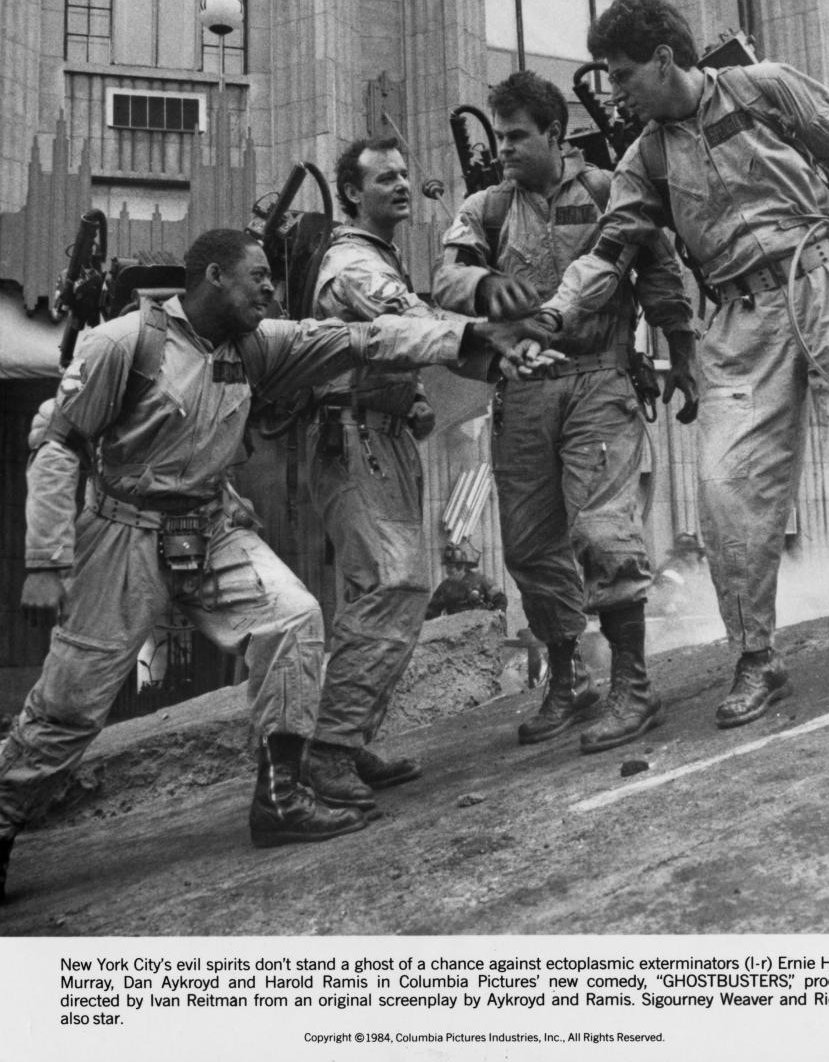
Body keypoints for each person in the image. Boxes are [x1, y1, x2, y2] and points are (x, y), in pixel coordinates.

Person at [0, 227, 518, 902]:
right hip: (123, 532)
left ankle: (279, 798)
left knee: (294, 617)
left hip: (208, 527)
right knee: (71, 703)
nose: (272, 288)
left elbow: (358, 341)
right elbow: (58, 445)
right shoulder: (122, 343)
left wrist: (465, 340)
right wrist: (46, 558)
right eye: (258, 277)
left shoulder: (255, 344)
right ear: (213, 276)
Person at [517, 0, 829, 729]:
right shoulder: (645, 158)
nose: (616, 90)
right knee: (725, 491)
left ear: (665, 60)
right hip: (737, 318)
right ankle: (758, 656)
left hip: (826, 279)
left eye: (623, 74)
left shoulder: (767, 88)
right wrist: (554, 313)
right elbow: (608, 252)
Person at [433, 70, 698, 754]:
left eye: (518, 136)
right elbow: (447, 278)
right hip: (522, 390)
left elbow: (658, 268)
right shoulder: (487, 207)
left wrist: (682, 350)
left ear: (554, 134)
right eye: (500, 137)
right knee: (529, 545)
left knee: (604, 530)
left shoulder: (609, 189)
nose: (507, 149)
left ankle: (632, 685)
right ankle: (566, 677)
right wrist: (490, 286)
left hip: (600, 377)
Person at [303, 136, 467, 816]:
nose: (401, 185)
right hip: (354, 436)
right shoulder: (351, 262)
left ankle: (349, 737)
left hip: (380, 432)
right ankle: (330, 751)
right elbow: (404, 323)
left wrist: (416, 399)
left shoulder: (377, 256)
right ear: (351, 193)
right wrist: (485, 332)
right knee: (398, 582)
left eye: (405, 173)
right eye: (384, 178)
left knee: (372, 589)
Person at [424, 542, 508, 619]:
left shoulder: (481, 580)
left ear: (461, 567)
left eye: (451, 567)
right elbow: (432, 611)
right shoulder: (444, 587)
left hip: (480, 626)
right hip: (456, 629)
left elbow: (500, 599)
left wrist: (496, 616)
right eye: (447, 567)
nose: (448, 571)